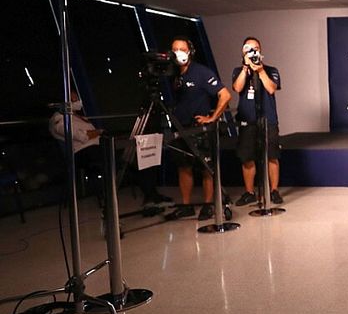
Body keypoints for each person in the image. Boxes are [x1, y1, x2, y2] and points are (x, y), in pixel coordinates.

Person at [49, 88, 171, 206]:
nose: (77, 101)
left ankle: (151, 194)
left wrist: (99, 133)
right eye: (73, 99)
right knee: (133, 157)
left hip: (99, 147)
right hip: (85, 153)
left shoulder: (77, 116)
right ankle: (150, 195)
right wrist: (99, 131)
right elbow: (82, 137)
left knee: (142, 153)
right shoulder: (59, 121)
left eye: (76, 98)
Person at [165, 36, 231, 220]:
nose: (178, 52)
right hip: (180, 127)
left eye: (182, 49)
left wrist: (212, 118)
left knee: (205, 168)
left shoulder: (201, 72)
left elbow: (225, 95)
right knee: (183, 167)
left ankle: (209, 205)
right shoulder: (174, 74)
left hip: (199, 129)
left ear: (190, 52)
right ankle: (186, 206)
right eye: (174, 49)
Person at [232, 36, 282, 206]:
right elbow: (237, 88)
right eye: (249, 48)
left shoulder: (271, 70)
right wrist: (246, 68)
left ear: (261, 50)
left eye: (256, 48)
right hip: (247, 120)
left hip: (268, 119)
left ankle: (274, 190)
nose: (253, 51)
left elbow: (271, 88)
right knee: (247, 158)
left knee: (272, 156)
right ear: (243, 51)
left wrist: (260, 71)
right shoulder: (238, 71)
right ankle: (249, 192)